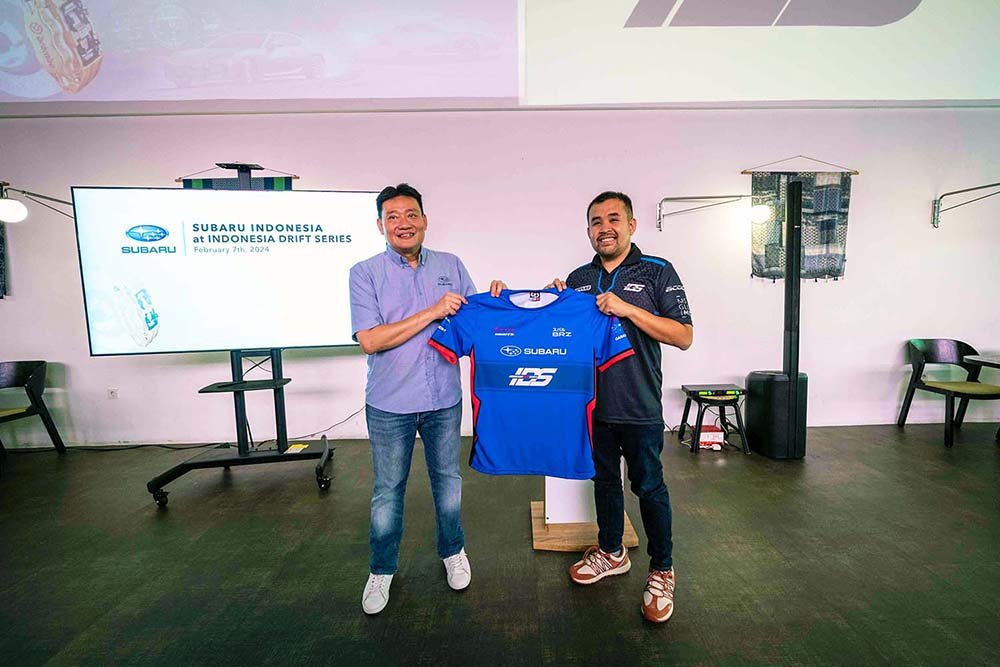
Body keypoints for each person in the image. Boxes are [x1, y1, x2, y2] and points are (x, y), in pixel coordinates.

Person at [553, 191, 693, 623]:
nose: (605, 228)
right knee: (605, 483)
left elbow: (683, 335)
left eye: (613, 219)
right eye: (596, 221)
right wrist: (546, 301)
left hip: (639, 404)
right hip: (592, 406)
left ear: (632, 225)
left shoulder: (657, 271)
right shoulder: (579, 278)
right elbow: (557, 331)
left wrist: (627, 309)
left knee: (649, 487)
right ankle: (612, 552)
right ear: (588, 231)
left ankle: (662, 569)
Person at [349, 183, 475, 615]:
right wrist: (433, 312)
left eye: (411, 214)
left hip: (443, 398)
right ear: (380, 225)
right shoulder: (365, 273)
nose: (403, 223)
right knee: (387, 490)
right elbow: (370, 340)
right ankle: (381, 569)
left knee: (448, 482)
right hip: (390, 403)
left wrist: (508, 299)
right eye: (393, 217)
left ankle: (452, 551)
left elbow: (473, 321)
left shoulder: (451, 264)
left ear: (425, 220)